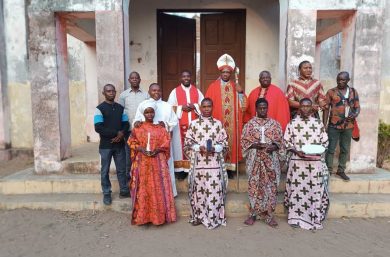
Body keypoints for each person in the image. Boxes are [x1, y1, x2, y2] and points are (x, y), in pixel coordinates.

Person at [127, 101, 177, 225]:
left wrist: (158, 149)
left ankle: (158, 218)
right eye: (147, 112)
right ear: (143, 113)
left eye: (151, 112)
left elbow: (166, 142)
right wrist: (141, 149)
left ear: (155, 113)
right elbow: (131, 141)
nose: (149, 114)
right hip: (142, 162)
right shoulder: (138, 128)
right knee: (144, 187)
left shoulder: (160, 129)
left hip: (158, 161)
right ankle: (143, 217)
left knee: (158, 187)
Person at [284, 98, 330, 230]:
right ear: (299, 108)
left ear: (311, 108)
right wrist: (296, 151)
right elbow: (287, 142)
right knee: (297, 189)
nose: (305, 109)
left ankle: (313, 216)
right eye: (302, 106)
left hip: (314, 163)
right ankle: (294, 217)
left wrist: (318, 151)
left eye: (308, 106)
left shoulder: (318, 123)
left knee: (313, 190)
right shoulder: (292, 124)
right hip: (297, 163)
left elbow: (325, 142)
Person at [184, 98, 228, 229]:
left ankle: (214, 216)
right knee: (199, 190)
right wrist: (199, 147)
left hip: (214, 164)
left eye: (209, 106)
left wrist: (216, 148)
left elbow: (225, 144)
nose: (207, 109)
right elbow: (187, 143)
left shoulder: (218, 124)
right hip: (199, 164)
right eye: (204, 106)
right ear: (200, 108)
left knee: (214, 190)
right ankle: (198, 216)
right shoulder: (194, 124)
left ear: (212, 107)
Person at [241, 98, 284, 227]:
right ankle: (253, 214)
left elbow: (281, 142)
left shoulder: (275, 124)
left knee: (270, 187)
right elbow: (244, 142)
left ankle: (269, 215)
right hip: (255, 161)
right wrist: (254, 145)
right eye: (260, 108)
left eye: (265, 108)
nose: (262, 110)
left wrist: (275, 147)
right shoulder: (249, 124)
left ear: (267, 108)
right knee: (254, 187)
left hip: (270, 161)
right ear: (256, 109)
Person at [205, 53, 247, 179]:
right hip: (218, 120)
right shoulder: (213, 86)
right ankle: (218, 166)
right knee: (218, 141)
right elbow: (207, 105)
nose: (225, 74)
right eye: (223, 72)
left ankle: (230, 169)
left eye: (228, 72)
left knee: (231, 142)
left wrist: (240, 93)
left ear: (231, 74)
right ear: (220, 73)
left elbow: (244, 107)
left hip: (232, 122)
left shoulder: (236, 86)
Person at [133, 83, 179, 196]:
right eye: (153, 90)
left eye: (158, 90)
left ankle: (168, 192)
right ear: (149, 92)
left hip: (162, 145)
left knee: (165, 167)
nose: (156, 92)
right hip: (147, 144)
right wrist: (137, 122)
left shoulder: (167, 106)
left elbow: (174, 121)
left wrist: (166, 124)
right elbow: (136, 120)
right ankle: (150, 194)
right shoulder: (143, 104)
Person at [94, 84, 130, 205]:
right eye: (108, 91)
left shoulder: (121, 108)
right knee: (105, 170)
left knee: (121, 169)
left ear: (115, 92)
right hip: (106, 146)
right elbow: (98, 128)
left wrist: (121, 134)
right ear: (103, 93)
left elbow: (126, 124)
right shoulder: (99, 108)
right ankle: (106, 193)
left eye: (112, 91)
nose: (111, 93)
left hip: (119, 145)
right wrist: (116, 133)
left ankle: (124, 190)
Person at [323, 71, 360, 181]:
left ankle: (341, 170)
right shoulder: (331, 92)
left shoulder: (353, 92)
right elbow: (326, 109)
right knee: (330, 149)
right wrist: (324, 125)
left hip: (348, 126)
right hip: (333, 126)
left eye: (343, 80)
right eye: (338, 79)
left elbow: (357, 107)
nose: (340, 82)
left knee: (344, 149)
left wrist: (355, 114)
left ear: (348, 80)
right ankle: (328, 170)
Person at [168, 70, 204, 180]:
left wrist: (195, 106)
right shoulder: (175, 92)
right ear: (180, 78)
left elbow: (204, 105)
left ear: (191, 77)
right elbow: (169, 108)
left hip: (194, 125)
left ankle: (192, 169)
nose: (186, 78)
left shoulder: (197, 91)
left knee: (194, 145)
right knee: (179, 146)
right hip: (179, 125)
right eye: (184, 76)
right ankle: (180, 171)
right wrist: (180, 108)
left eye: (188, 76)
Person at [118, 71, 149, 181]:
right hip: (128, 130)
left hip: (143, 130)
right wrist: (121, 129)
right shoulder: (123, 95)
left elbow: (149, 111)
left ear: (140, 80)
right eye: (132, 78)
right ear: (129, 80)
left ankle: (141, 175)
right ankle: (129, 176)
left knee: (142, 152)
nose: (135, 79)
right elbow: (119, 112)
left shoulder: (146, 95)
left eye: (137, 78)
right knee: (128, 153)